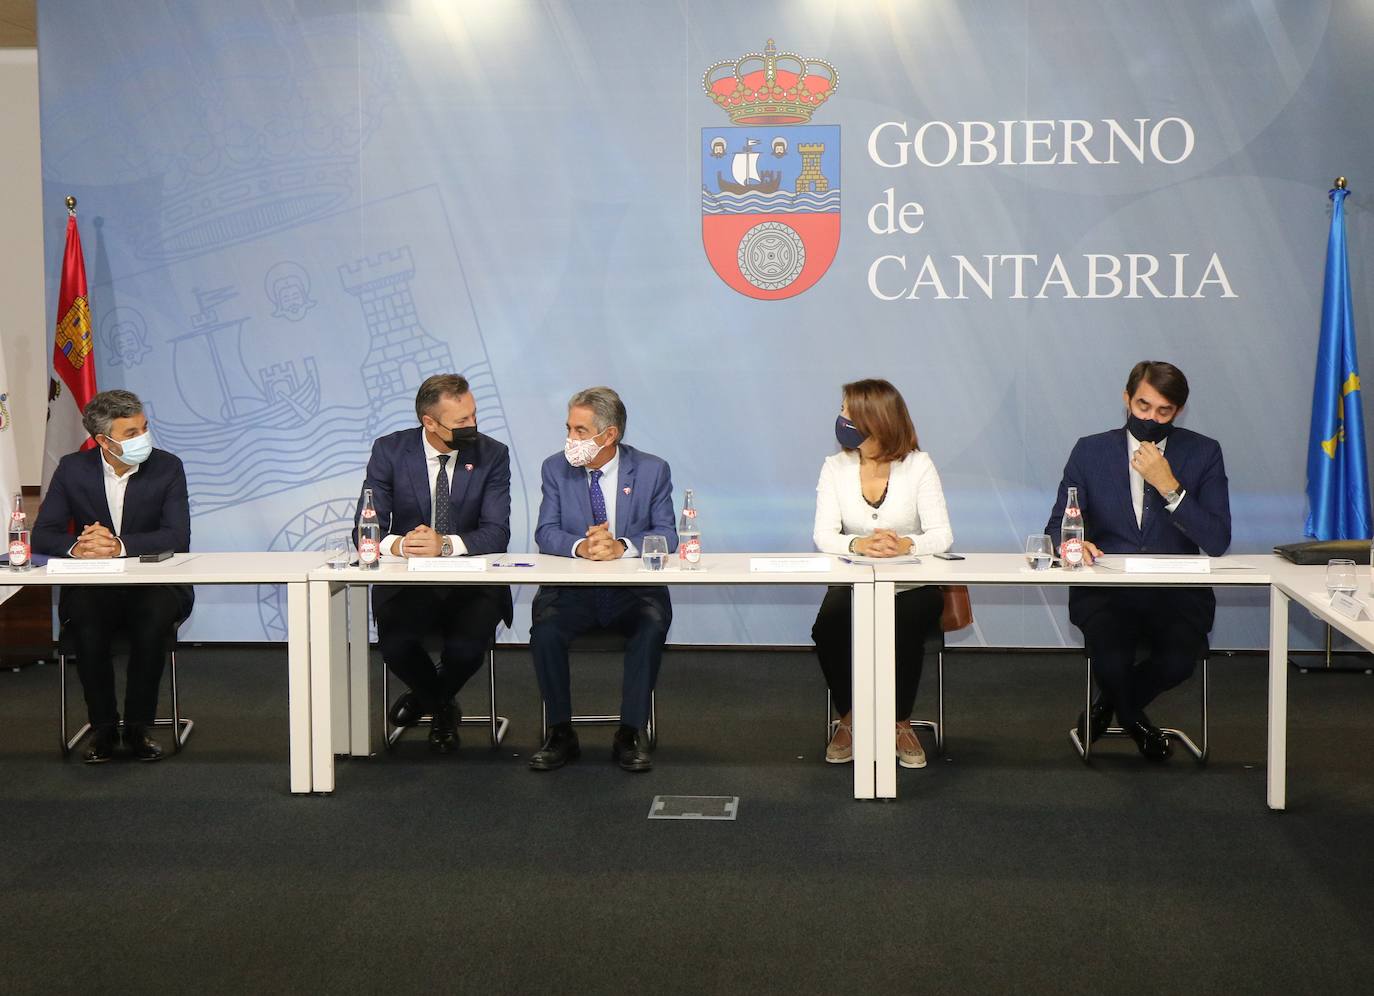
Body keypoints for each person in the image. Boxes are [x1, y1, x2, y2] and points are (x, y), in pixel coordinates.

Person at [1046, 360, 1231, 760]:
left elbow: (1217, 540)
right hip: (1108, 593)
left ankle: (1107, 709)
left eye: (1164, 412)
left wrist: (1170, 486)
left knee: (1180, 661)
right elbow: (1055, 528)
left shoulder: (1203, 452)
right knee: (1110, 654)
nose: (1151, 418)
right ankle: (1133, 720)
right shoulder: (1090, 450)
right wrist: (1079, 544)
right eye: (1143, 406)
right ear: (1127, 398)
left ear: (1178, 411)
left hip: (1178, 595)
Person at [33, 389, 192, 764]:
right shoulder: (73, 469)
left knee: (152, 620)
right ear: (103, 441)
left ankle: (138, 728)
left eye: (144, 428)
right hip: (95, 584)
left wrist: (117, 545)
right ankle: (103, 729)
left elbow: (177, 536)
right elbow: (43, 534)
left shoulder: (167, 466)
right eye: (131, 433)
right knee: (86, 620)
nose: (143, 439)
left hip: (155, 584)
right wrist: (80, 546)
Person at [357, 373, 512, 753]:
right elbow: (365, 528)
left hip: (473, 586)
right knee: (395, 646)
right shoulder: (390, 451)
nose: (472, 426)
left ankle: (428, 700)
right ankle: (443, 706)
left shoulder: (491, 454)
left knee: (466, 650)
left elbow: (496, 533)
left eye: (473, 415)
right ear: (429, 422)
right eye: (461, 421)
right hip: (410, 585)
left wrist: (445, 545)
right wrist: (402, 545)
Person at [528, 386, 677, 773]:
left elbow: (668, 534)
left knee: (650, 626)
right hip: (573, 594)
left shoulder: (651, 470)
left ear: (608, 435)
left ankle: (629, 732)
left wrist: (622, 546)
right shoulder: (554, 468)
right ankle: (560, 732)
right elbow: (545, 532)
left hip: (633, 594)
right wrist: (581, 547)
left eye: (580, 431)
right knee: (545, 631)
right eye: (569, 428)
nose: (570, 439)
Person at [812, 379, 953, 769]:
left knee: (903, 624)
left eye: (847, 411)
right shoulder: (835, 468)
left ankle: (899, 722)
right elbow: (823, 535)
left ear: (875, 420)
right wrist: (857, 545)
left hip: (912, 583)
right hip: (856, 581)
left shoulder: (918, 465)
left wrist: (905, 544)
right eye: (842, 410)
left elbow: (942, 535)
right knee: (827, 626)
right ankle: (850, 719)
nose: (840, 420)